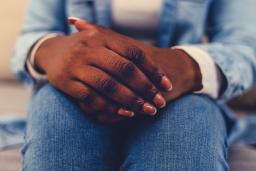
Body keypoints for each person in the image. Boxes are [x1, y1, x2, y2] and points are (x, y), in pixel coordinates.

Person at [13, 0, 256, 170]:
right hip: (81, 83)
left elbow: (244, 47)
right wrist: (52, 51)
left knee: (192, 119)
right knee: (54, 112)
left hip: (176, 89)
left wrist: (187, 67)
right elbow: (34, 33)